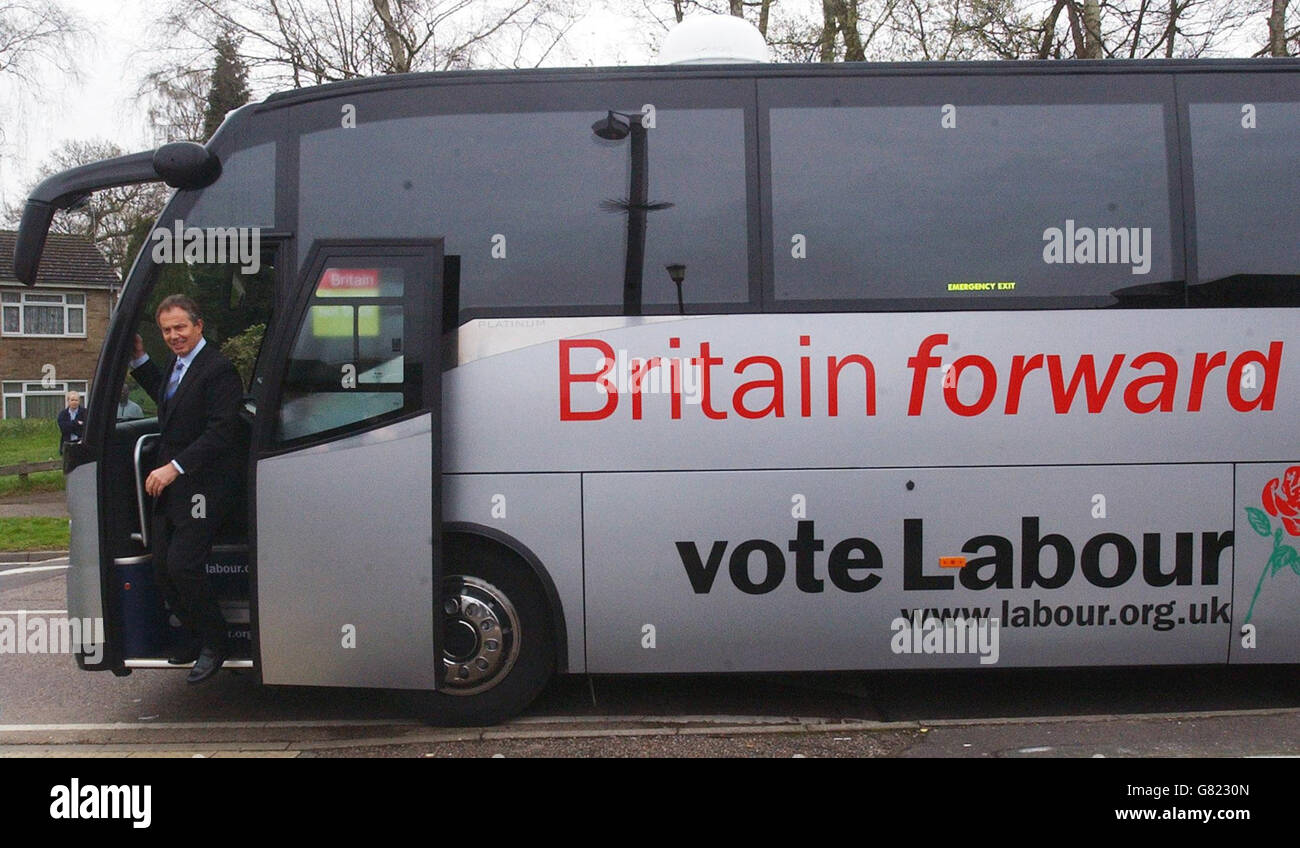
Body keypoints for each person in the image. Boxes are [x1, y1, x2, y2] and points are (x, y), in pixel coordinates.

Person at [130, 294, 245, 684]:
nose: (174, 336)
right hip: (176, 485)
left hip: (205, 485)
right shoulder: (179, 366)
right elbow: (170, 398)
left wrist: (174, 467)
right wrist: (139, 360)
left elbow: (222, 431)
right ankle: (195, 637)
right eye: (166, 330)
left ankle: (216, 642)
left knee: (183, 565)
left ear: (198, 325)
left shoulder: (219, 369)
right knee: (162, 567)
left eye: (180, 327)